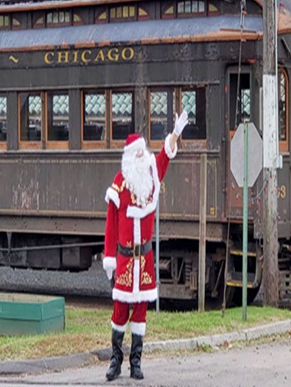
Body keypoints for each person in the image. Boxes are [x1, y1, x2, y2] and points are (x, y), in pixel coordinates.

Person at [102, 110, 188, 381]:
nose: (141, 157)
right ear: (129, 157)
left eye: (143, 152)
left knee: (140, 311)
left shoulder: (152, 174)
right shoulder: (120, 182)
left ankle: (135, 362)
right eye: (136, 153)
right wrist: (109, 258)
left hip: (146, 259)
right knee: (120, 311)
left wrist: (175, 133)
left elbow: (165, 155)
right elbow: (110, 225)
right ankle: (115, 360)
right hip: (125, 259)